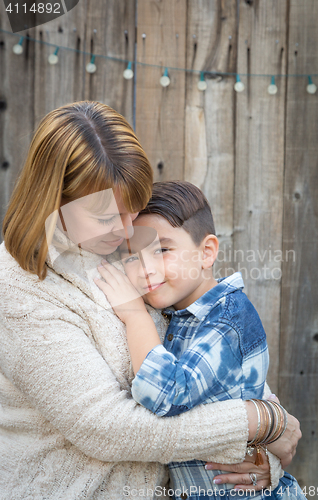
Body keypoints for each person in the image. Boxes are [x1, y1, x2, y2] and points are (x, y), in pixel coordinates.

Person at [0, 101, 301, 500]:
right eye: (108, 217)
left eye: (133, 209)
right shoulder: (21, 291)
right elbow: (108, 428)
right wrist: (255, 423)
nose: (127, 230)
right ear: (53, 200)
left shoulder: (123, 248)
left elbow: (206, 351)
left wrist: (272, 434)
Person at [95, 181, 306, 500]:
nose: (146, 269)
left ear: (206, 253)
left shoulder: (229, 315)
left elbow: (167, 395)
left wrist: (134, 315)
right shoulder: (176, 315)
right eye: (131, 257)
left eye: (162, 250)